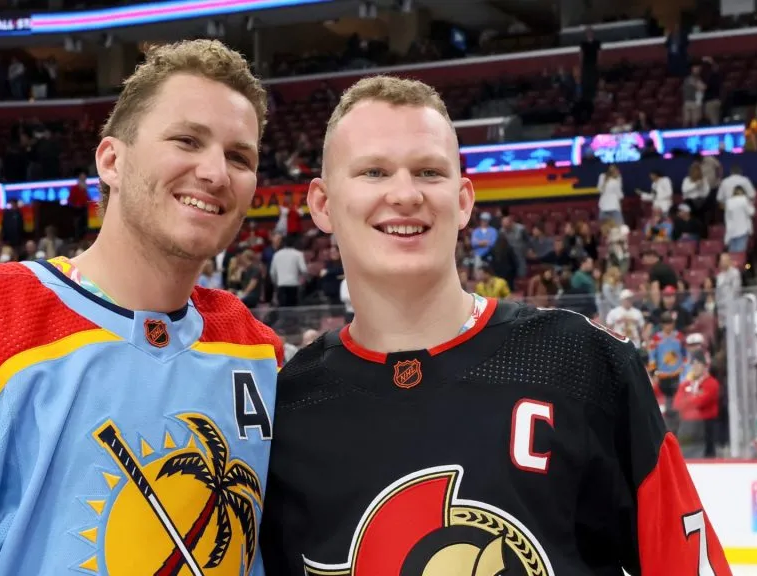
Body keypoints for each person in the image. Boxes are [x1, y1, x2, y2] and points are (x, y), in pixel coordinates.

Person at [0, 39, 283, 575]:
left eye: (239, 156)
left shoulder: (255, 349)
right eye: (187, 140)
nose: (216, 173)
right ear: (111, 160)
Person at [259, 76, 730, 575]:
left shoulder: (586, 364)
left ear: (463, 200)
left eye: (428, 172)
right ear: (322, 204)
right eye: (374, 172)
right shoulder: (288, 408)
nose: (404, 194)